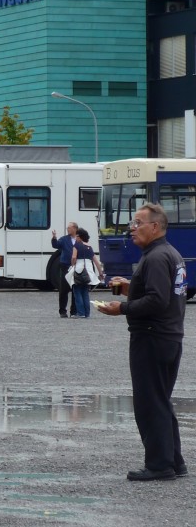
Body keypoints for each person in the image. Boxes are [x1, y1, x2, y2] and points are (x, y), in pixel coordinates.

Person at [97, 203, 187, 481]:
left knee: (150, 403)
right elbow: (161, 293)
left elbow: (157, 300)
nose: (132, 228)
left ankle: (160, 466)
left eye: (138, 223)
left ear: (155, 227)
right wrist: (129, 287)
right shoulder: (168, 254)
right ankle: (174, 461)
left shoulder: (158, 257)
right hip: (168, 336)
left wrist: (121, 308)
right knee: (160, 400)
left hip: (152, 336)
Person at [68, 228, 102, 319]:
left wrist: (72, 264)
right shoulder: (90, 247)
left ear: (80, 237)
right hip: (88, 272)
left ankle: (80, 313)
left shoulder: (77, 245)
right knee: (85, 293)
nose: (75, 238)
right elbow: (96, 262)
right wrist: (101, 273)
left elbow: (74, 257)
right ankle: (87, 313)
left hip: (79, 270)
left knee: (77, 292)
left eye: (77, 236)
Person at [51, 222, 78, 317]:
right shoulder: (64, 239)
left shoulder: (79, 239)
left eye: (69, 228)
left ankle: (74, 311)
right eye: (67, 228)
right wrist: (54, 238)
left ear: (75, 229)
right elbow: (56, 245)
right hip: (65, 266)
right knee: (64, 289)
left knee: (75, 289)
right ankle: (62, 311)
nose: (68, 229)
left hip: (76, 267)